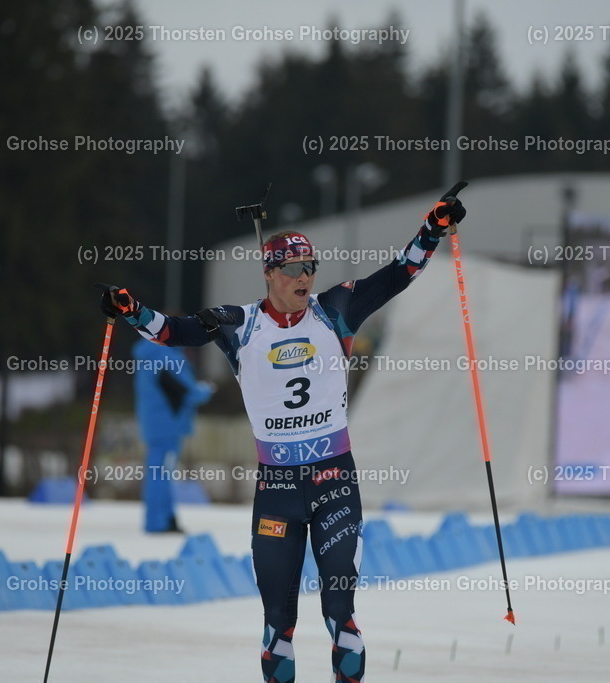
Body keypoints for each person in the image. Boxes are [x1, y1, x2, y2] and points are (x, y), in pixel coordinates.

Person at [98, 186, 466, 683]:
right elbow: (175, 331)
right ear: (268, 272)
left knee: (339, 612)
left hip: (335, 481)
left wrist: (433, 229)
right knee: (278, 625)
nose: (305, 277)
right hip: (278, 491)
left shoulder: (335, 309)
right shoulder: (240, 324)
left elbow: (397, 274)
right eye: (292, 268)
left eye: (310, 266)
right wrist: (132, 311)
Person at [133, 337, 213, 533]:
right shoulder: (167, 357)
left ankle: (161, 519)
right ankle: (159, 521)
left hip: (154, 424)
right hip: (168, 426)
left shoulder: (147, 355)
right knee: (161, 474)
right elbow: (189, 392)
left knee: (157, 473)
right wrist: (206, 389)